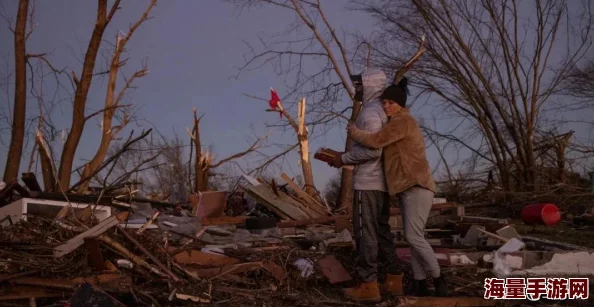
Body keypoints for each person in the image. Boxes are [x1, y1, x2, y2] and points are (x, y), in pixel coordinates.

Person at [346, 78, 449, 297]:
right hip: (406, 188)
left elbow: (375, 142)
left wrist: (353, 131)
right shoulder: (397, 121)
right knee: (414, 237)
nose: (386, 107)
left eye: (391, 103)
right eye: (384, 102)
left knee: (413, 237)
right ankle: (420, 282)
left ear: (401, 104)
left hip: (416, 186)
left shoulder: (402, 122)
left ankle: (439, 279)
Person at [328, 67, 403, 303]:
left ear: (370, 85)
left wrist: (343, 158)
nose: (356, 89)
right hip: (381, 184)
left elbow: (373, 149)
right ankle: (393, 278)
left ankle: (368, 284)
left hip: (368, 183)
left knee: (365, 233)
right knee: (381, 231)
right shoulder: (382, 111)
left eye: (360, 84)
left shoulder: (370, 113)